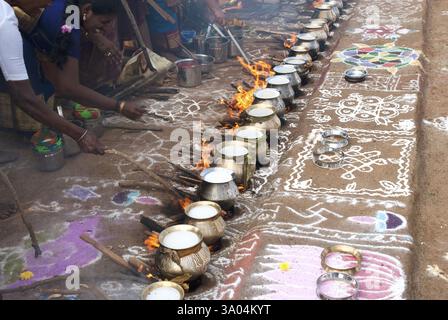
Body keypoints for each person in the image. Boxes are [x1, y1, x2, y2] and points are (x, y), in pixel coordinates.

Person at [0, 0, 104, 164]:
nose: (48, 5)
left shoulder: (68, 17)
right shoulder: (4, 19)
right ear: (87, 10)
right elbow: (24, 97)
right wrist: (80, 134)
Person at [11, 0, 146, 123]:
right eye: (104, 22)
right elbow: (68, 88)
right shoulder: (68, 23)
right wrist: (119, 106)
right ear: (86, 10)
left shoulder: (71, 11)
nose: (104, 29)